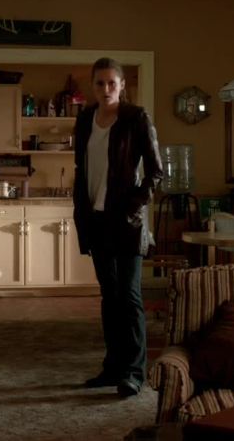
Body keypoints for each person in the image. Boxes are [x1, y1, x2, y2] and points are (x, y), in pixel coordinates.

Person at [73, 57, 163, 397]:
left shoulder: (136, 118)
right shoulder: (85, 120)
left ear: (122, 85)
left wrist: (133, 207)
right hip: (95, 219)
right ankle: (112, 367)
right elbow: (81, 168)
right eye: (100, 83)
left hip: (126, 221)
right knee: (109, 296)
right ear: (93, 86)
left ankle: (134, 372)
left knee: (128, 295)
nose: (106, 89)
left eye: (112, 82)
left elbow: (155, 172)